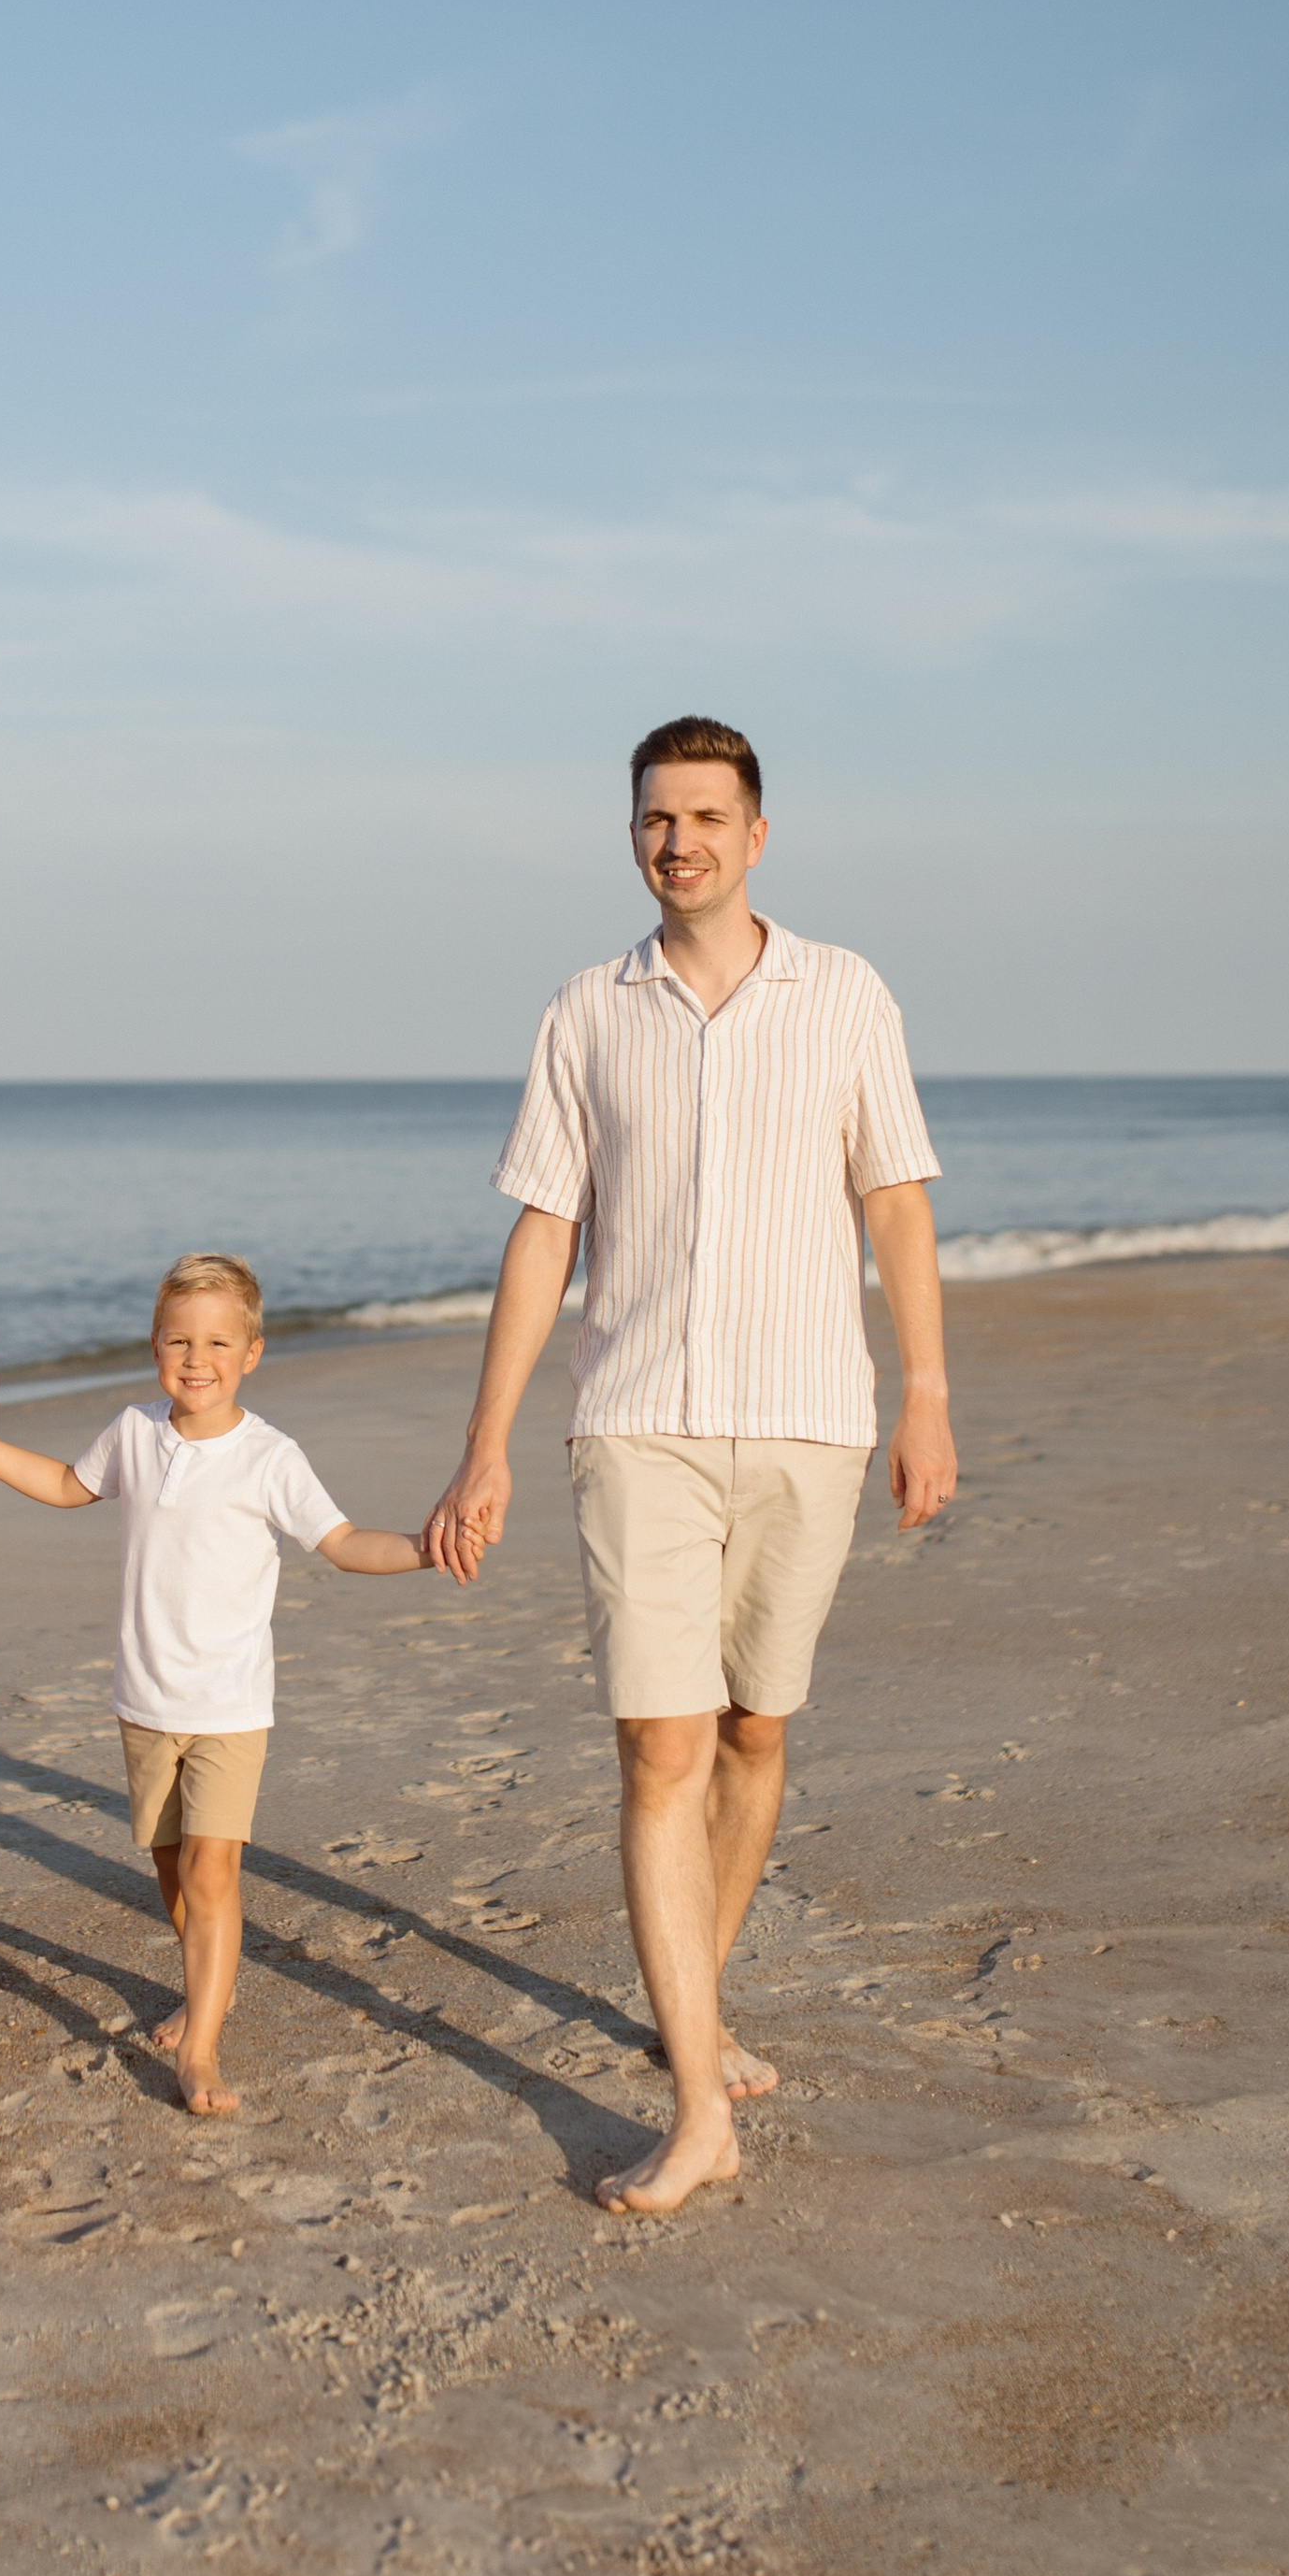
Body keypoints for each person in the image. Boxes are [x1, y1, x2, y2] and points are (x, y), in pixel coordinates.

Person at [424, 717, 957, 2215]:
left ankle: (698, 2018)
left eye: (709, 818)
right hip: (637, 1421)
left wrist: (927, 1397)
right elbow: (545, 1229)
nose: (683, 843)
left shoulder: (845, 994)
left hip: (809, 1419)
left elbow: (897, 1201)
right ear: (635, 838)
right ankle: (697, 2103)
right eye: (660, 820)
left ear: (757, 835)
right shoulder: (587, 1011)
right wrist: (484, 1446)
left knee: (753, 1735)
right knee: (662, 1750)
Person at [0, 1253, 427, 2116]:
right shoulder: (134, 1432)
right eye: (179, 1340)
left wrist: (425, 1547)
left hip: (228, 1706)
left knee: (213, 1870)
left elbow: (342, 1544)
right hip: (144, 1700)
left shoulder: (269, 1457)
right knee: (173, 1867)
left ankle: (203, 2049)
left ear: (252, 1353)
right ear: (154, 1347)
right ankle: (206, 1985)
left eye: (218, 1342)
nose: (197, 1358)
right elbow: (68, 1486)